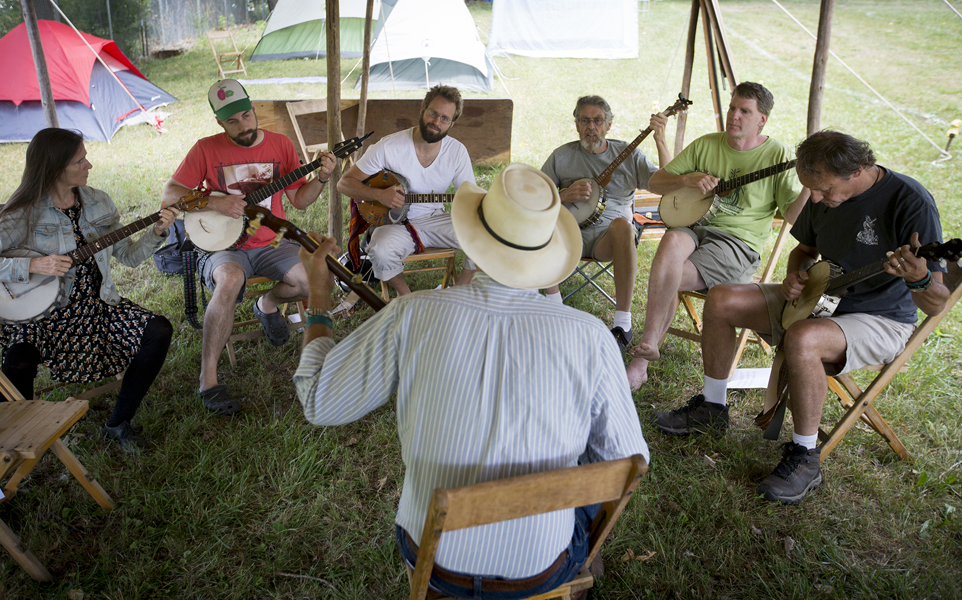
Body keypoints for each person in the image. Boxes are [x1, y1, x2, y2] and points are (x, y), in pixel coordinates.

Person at [294, 163, 649, 599]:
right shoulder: (592, 336)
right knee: (592, 471)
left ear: (471, 241)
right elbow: (627, 459)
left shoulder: (411, 313)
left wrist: (318, 298)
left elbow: (318, 400)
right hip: (540, 568)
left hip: (438, 561)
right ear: (547, 256)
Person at [652, 130, 948, 505]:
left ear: (856, 170)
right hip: (820, 297)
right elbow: (803, 250)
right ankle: (712, 407)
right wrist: (796, 275)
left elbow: (936, 304)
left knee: (804, 338)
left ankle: (806, 457)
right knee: (722, 298)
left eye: (823, 190)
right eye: (813, 191)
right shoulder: (820, 191)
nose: (817, 199)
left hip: (881, 318)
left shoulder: (910, 201)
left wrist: (919, 278)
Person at [0, 128, 177, 453]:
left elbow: (130, 258)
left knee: (158, 330)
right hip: (41, 315)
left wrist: (158, 232)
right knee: (17, 361)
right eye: (80, 160)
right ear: (55, 167)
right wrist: (32, 266)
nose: (88, 165)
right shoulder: (23, 214)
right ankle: (12, 441)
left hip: (98, 306)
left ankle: (118, 423)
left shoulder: (99, 201)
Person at [161, 79, 335, 415]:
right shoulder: (205, 149)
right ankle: (208, 379)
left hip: (273, 241)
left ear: (254, 109)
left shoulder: (281, 145)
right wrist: (215, 201)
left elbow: (299, 200)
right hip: (225, 245)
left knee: (317, 280)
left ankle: (267, 304)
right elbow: (170, 194)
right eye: (232, 121)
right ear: (219, 123)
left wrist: (323, 178)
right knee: (228, 281)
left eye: (246, 115)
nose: (243, 125)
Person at [627, 82, 809, 390]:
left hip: (736, 243)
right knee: (671, 241)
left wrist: (809, 185)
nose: (734, 116)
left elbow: (793, 217)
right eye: (732, 107)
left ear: (762, 119)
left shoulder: (777, 155)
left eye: (745, 111)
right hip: (694, 225)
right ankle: (648, 342)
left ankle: (641, 360)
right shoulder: (707, 144)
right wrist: (686, 178)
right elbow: (656, 182)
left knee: (669, 276)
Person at [541, 95, 670, 349]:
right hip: (565, 237)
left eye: (598, 120)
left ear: (609, 124)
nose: (591, 127)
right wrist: (562, 195)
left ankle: (623, 324)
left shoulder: (628, 154)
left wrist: (660, 139)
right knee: (542, 222)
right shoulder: (561, 156)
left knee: (623, 225)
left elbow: (668, 186)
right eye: (585, 121)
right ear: (577, 125)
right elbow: (534, 197)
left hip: (608, 239)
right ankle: (554, 308)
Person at [336, 85, 477, 297]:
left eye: (444, 119)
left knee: (486, 235)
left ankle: (458, 293)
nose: (436, 122)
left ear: (452, 123)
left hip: (435, 218)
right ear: (422, 110)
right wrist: (379, 195)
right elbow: (344, 183)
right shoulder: (389, 147)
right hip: (394, 224)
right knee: (381, 251)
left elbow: (470, 198)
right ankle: (406, 297)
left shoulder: (456, 151)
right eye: (433, 113)